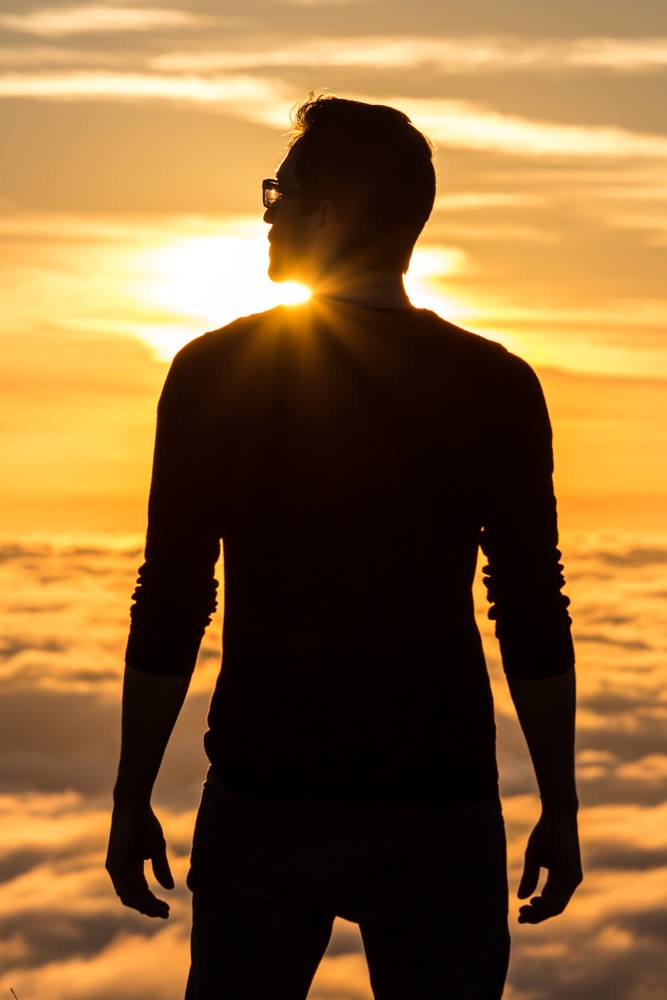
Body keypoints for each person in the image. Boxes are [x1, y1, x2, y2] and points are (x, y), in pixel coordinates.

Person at [106, 93, 583, 999]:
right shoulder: (496, 385)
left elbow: (171, 598)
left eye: (277, 194)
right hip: (437, 798)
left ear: (324, 214)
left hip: (263, 793)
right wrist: (559, 803)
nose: (267, 213)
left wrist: (133, 795)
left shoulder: (214, 373)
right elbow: (529, 608)